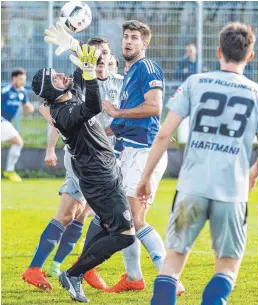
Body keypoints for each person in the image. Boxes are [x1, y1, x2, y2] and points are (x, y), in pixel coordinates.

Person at [136, 21, 258, 305]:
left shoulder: (195, 82)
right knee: (226, 266)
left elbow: (164, 133)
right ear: (250, 55)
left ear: (218, 51)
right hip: (232, 193)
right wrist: (252, 173)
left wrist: (145, 177)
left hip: (192, 188)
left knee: (173, 262)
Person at [30, 44, 135, 303]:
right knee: (125, 234)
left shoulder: (68, 95)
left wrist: (73, 43)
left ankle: (78, 270)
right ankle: (75, 273)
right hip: (99, 179)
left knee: (106, 225)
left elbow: (86, 65)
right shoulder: (63, 113)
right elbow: (94, 105)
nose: (62, 76)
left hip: (108, 172)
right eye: (55, 78)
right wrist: (88, 75)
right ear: (51, 91)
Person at [102, 20, 184, 295]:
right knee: (126, 218)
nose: (128, 41)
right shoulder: (130, 75)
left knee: (135, 218)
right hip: (131, 151)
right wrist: (98, 134)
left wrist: (116, 113)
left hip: (144, 152)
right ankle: (134, 277)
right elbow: (121, 122)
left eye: (134, 38)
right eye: (125, 37)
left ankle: (170, 278)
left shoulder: (147, 67)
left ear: (144, 43)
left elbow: (154, 107)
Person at [1, 68, 34, 182]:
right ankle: (9, 171)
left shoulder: (22, 92)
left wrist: (30, 108)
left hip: (6, 123)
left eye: (24, 80)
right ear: (14, 78)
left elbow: (27, 105)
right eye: (20, 79)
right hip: (2, 120)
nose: (23, 82)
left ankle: (9, 171)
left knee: (17, 143)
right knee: (18, 142)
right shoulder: (4, 90)